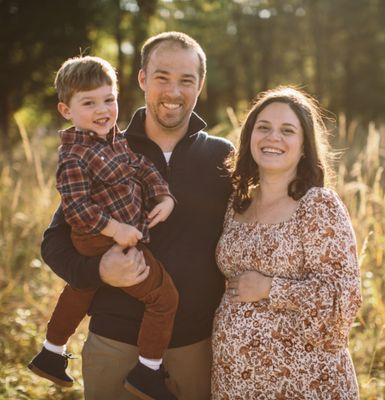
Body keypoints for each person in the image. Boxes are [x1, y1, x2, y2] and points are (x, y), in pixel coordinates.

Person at [40, 32, 234, 400]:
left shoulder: (223, 157)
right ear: (143, 79)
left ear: (200, 85)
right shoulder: (103, 149)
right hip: (114, 343)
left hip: (196, 347)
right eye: (162, 77)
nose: (173, 91)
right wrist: (98, 271)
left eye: (186, 80)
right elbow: (54, 243)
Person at [28, 55, 179, 399]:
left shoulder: (113, 140)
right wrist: (116, 230)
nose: (103, 109)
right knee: (163, 299)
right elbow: (76, 210)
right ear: (66, 110)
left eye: (108, 99)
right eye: (89, 102)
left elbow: (140, 167)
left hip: (108, 236)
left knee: (81, 291)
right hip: (102, 239)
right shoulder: (74, 156)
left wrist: (164, 197)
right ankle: (147, 372)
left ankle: (51, 353)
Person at [211, 86, 362, 399]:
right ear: (249, 136)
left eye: (287, 130)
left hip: (302, 383)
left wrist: (270, 288)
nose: (272, 137)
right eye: (263, 127)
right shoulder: (237, 203)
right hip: (235, 384)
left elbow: (343, 298)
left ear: (304, 145)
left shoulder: (318, 205)